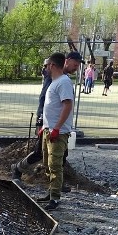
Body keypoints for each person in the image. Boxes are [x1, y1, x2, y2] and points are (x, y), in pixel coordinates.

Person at [14, 51, 82, 178]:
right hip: (49, 124)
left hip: (60, 125)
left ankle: (56, 182)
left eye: (78, 65)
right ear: (67, 61)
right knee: (39, 152)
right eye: (75, 64)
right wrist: (41, 122)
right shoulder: (53, 76)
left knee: (62, 154)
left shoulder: (64, 78)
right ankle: (18, 169)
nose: (76, 67)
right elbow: (44, 98)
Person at [36, 52, 75, 210]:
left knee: (55, 165)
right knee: (46, 163)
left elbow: (67, 105)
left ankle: (55, 198)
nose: (45, 69)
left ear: (52, 65)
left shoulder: (63, 82)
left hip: (57, 132)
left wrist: (57, 128)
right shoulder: (54, 81)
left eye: (46, 66)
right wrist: (45, 126)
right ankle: (51, 192)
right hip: (48, 129)